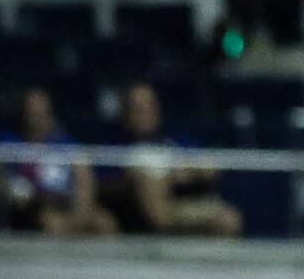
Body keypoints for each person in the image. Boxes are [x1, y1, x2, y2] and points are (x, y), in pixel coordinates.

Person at [99, 81, 243, 238]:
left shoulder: (176, 141)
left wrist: (175, 175)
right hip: (139, 213)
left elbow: (211, 168)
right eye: (138, 109)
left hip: (184, 204)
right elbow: (106, 184)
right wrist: (163, 177)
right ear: (125, 113)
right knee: (147, 184)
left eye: (150, 107)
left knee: (230, 219)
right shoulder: (114, 148)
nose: (145, 114)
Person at [0, 86, 115, 236]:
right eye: (31, 111)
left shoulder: (66, 144)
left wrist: (79, 215)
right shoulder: (8, 142)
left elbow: (84, 179)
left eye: (41, 111)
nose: (36, 116)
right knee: (51, 223)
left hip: (68, 203)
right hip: (34, 207)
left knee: (105, 223)